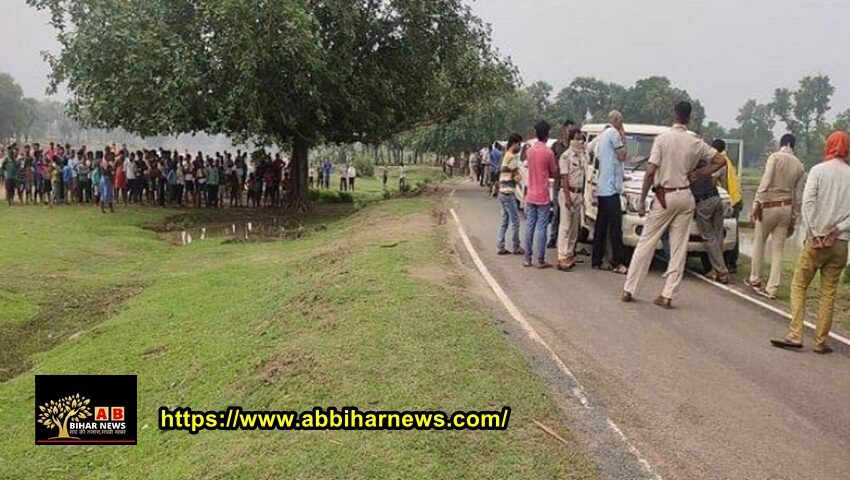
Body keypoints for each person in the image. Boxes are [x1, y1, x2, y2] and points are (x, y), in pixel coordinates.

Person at [622, 101, 725, 308]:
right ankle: (668, 294)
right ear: (688, 118)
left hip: (664, 195)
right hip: (686, 195)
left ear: (674, 115)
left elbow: (651, 171)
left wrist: (642, 199)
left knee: (647, 242)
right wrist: (699, 173)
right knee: (679, 247)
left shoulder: (663, 139)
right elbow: (720, 160)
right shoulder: (695, 142)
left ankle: (630, 288)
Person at [770, 131, 850, 355]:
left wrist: (816, 233)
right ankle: (820, 341)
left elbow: (807, 204)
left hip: (815, 242)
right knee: (829, 292)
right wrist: (837, 230)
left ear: (829, 146)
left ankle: (795, 334)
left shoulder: (818, 171)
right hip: (840, 243)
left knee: (799, 285)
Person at [745, 134, 805, 299]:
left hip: (769, 206)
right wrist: (794, 216)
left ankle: (755, 279)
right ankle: (772, 288)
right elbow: (798, 196)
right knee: (778, 250)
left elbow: (765, 182)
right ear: (793, 146)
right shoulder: (800, 166)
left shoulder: (775, 158)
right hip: (786, 208)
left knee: (759, 242)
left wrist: (756, 203)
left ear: (782, 143)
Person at [592, 111, 629, 274]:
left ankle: (596, 259)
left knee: (601, 226)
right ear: (615, 120)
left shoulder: (603, 135)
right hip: (611, 189)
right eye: (620, 120)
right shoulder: (614, 134)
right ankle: (617, 261)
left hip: (602, 187)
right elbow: (622, 156)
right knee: (615, 227)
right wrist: (624, 139)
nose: (622, 123)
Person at [691, 141, 730, 284]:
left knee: (708, 238)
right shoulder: (706, 170)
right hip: (716, 199)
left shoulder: (692, 173)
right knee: (718, 236)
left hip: (704, 204)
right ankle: (716, 270)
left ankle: (722, 271)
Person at [523, 120, 559, 269]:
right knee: (542, 227)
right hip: (542, 194)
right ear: (547, 134)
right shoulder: (548, 152)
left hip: (530, 194)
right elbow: (554, 172)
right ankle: (540, 259)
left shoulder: (529, 151)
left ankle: (527, 258)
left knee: (530, 226)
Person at [556, 130, 587, 270]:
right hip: (568, 193)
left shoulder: (582, 156)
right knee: (565, 226)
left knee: (575, 227)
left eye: (582, 139)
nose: (580, 142)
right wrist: (568, 198)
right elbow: (564, 178)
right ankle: (562, 256)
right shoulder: (566, 157)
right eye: (577, 139)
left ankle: (569, 253)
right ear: (571, 140)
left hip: (579, 194)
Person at [713, 139, 743, 273]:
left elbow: (712, 178)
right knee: (733, 232)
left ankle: (730, 263)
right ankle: (730, 262)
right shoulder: (727, 159)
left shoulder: (720, 161)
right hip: (736, 198)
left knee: (728, 233)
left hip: (731, 201)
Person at [548, 119, 576, 249]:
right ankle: (553, 238)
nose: (569, 132)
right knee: (556, 214)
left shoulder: (575, 147)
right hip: (559, 184)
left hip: (571, 186)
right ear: (563, 130)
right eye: (568, 129)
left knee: (570, 217)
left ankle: (567, 243)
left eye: (572, 130)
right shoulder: (556, 146)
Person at [497, 134, 525, 256]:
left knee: (504, 221)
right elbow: (517, 178)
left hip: (502, 192)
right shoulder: (512, 158)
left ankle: (501, 246)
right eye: (519, 144)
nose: (519, 147)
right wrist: (520, 176)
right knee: (515, 222)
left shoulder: (505, 156)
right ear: (514, 143)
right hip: (508, 193)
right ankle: (516, 246)